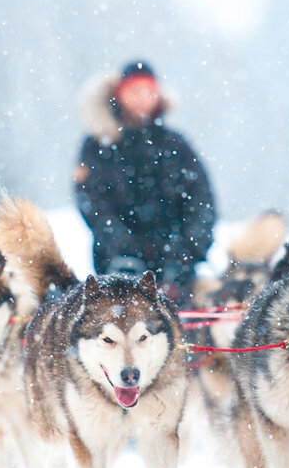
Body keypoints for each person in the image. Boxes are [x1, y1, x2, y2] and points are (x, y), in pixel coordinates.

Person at [73, 60, 216, 305]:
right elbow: (91, 201)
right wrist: (119, 242)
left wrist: (187, 248)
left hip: (176, 268)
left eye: (148, 91)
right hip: (116, 264)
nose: (141, 98)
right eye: (133, 91)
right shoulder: (98, 144)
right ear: (119, 95)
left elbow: (201, 200)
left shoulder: (176, 145)